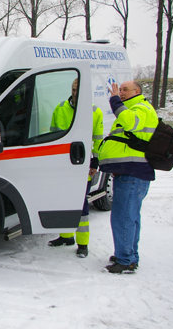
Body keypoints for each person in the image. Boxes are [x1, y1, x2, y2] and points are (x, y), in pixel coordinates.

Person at [99, 80, 158, 274]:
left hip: (133, 173)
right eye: (120, 90)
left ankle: (126, 260)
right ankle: (129, 255)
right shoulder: (133, 108)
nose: (121, 93)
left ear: (137, 91)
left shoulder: (140, 108)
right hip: (131, 172)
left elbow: (130, 123)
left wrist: (115, 101)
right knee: (130, 217)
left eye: (125, 90)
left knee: (123, 217)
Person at [47, 78, 104, 258]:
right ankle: (66, 236)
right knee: (63, 202)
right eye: (73, 89)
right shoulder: (60, 108)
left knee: (81, 206)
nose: (75, 92)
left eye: (79, 90)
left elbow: (98, 141)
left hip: (82, 165)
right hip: (63, 166)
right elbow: (52, 136)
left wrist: (95, 162)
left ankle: (83, 244)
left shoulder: (95, 112)